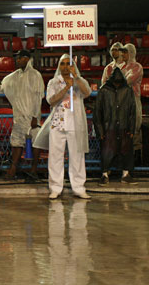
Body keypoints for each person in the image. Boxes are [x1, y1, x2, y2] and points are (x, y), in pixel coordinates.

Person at [34, 55, 92, 200]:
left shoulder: (79, 81)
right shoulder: (54, 82)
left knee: (77, 157)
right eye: (63, 64)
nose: (66, 67)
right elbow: (51, 101)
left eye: (69, 64)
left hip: (75, 124)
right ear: (59, 66)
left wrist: (76, 79)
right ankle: (55, 188)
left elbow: (87, 92)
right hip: (57, 124)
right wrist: (66, 87)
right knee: (55, 157)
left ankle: (79, 188)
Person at [0, 50, 44, 181]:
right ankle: (13, 170)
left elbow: (38, 96)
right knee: (16, 143)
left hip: (32, 116)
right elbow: (3, 87)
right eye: (17, 58)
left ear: (27, 59)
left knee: (36, 143)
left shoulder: (35, 75)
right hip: (19, 116)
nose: (18, 60)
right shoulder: (14, 76)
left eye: (21, 58)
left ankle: (33, 171)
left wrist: (35, 116)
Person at [94, 68, 136, 186]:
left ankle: (126, 174)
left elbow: (132, 111)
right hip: (109, 126)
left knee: (126, 150)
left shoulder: (127, 91)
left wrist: (131, 128)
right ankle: (104, 174)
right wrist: (100, 131)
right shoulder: (104, 91)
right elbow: (98, 112)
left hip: (123, 126)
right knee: (107, 151)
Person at [121, 43, 143, 182]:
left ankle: (135, 167)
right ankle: (126, 167)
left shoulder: (137, 67)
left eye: (125, 53)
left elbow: (125, 81)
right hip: (123, 101)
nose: (123, 55)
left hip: (133, 100)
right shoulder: (123, 67)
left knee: (134, 129)